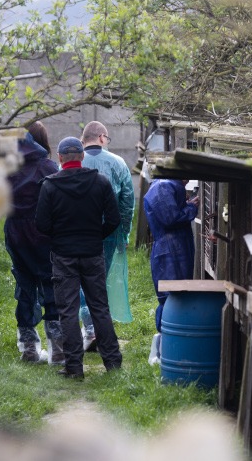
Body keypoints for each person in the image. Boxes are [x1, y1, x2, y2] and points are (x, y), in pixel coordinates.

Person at [35, 136, 123, 379]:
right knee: (100, 308)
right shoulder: (101, 182)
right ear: (82, 156)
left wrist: (60, 237)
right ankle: (113, 363)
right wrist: (96, 235)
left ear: (60, 158)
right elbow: (114, 219)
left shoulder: (50, 186)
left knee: (68, 311)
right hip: (93, 254)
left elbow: (41, 224)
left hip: (64, 256)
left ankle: (74, 367)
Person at [4, 121, 64, 364]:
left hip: (15, 233)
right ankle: (58, 349)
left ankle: (29, 348)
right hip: (43, 233)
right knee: (52, 284)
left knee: (24, 285)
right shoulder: (48, 167)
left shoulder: (8, 167)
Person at [79, 121, 135, 349]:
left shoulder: (72, 161)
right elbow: (127, 202)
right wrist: (124, 233)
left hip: (76, 233)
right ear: (102, 137)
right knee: (99, 278)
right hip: (108, 233)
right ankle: (99, 328)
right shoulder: (118, 163)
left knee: (79, 279)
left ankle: (89, 329)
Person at [143, 179, 199, 360]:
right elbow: (170, 218)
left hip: (175, 246)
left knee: (176, 295)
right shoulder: (163, 186)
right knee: (170, 296)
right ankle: (164, 349)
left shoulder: (166, 185)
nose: (188, 180)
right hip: (170, 250)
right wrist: (191, 207)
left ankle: (167, 347)